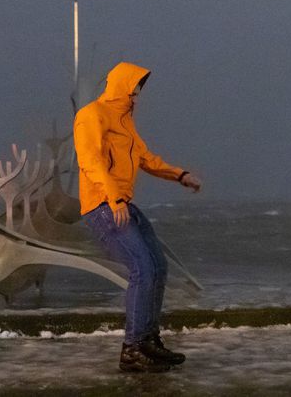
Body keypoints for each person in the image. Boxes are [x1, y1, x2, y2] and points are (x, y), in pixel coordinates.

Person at [73, 62, 202, 372]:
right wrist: (113, 196)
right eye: (136, 89)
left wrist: (179, 175)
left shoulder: (125, 122)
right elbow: (90, 161)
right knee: (142, 268)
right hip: (103, 205)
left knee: (158, 265)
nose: (138, 96)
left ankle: (148, 340)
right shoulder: (92, 115)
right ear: (124, 87)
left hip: (121, 203)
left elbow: (145, 158)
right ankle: (132, 349)